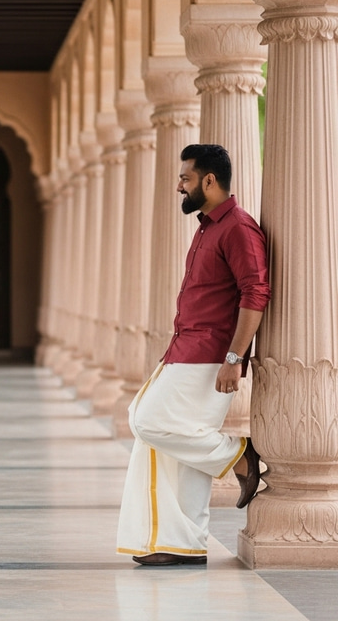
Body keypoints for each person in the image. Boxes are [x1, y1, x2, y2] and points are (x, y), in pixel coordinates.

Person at [117, 144, 270, 567]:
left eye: (185, 178)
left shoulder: (238, 227)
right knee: (167, 446)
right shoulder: (207, 227)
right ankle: (180, 542)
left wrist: (235, 358)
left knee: (147, 421)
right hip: (184, 349)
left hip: (210, 356)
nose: (179, 186)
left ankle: (239, 455)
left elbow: (255, 293)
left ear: (209, 180)